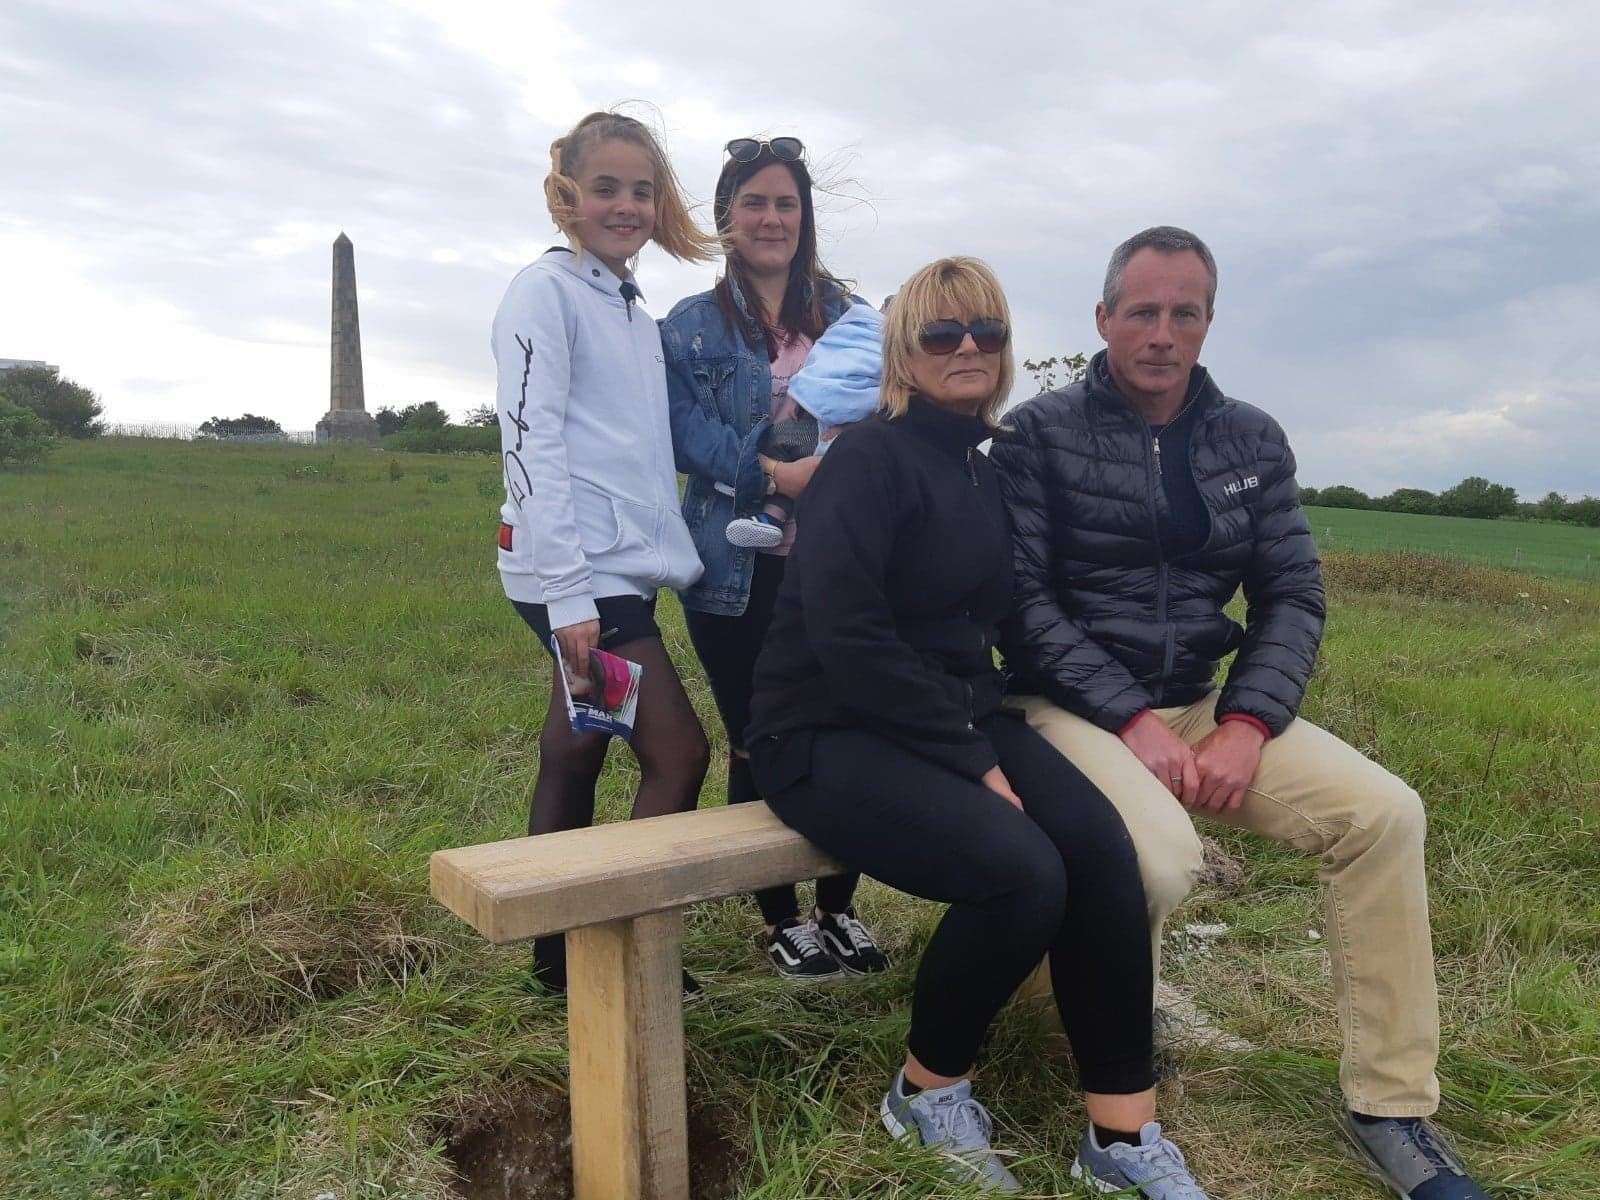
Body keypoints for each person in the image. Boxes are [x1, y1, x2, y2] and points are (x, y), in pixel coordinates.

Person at [991, 226, 1492, 1200]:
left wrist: (1246, 723)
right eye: (1142, 311)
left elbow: (1292, 595)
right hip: (1070, 711)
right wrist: (1131, 720)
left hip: (1207, 705)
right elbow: (1021, 604)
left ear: (1209, 323)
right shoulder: (1038, 434)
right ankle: (1078, 1029)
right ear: (1102, 319)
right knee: (1157, 860)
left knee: (1384, 814)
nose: (1162, 334)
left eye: (1185, 313)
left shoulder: (1249, 439)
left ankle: (1392, 1106)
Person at [747, 257, 1212, 1197]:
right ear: (903, 353)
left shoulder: (985, 471)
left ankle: (1121, 1138)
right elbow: (846, 636)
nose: (967, 349)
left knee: (1099, 847)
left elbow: (999, 624)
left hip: (953, 712)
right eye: (941, 333)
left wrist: (1079, 709)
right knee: (1021, 874)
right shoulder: (866, 461)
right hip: (822, 729)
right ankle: (928, 1087)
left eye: (986, 333)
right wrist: (969, 759)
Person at [492, 110, 718, 995]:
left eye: (643, 189)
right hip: (579, 578)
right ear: (567, 196)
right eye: (607, 188)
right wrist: (569, 600)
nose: (626, 205)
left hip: (619, 571)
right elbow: (528, 444)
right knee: (678, 757)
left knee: (576, 750)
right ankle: (620, 961)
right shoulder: (542, 293)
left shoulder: (627, 304)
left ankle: (554, 961)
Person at [661, 137, 887, 980]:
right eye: (754, 202)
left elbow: (888, 405)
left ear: (805, 217)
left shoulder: (849, 314)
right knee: (760, 735)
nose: (771, 218)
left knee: (844, 728)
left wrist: (830, 471)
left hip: (837, 558)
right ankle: (781, 916)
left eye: (786, 203)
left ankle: (838, 905)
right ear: (726, 217)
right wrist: (769, 469)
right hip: (733, 561)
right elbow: (684, 429)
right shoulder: (687, 326)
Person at [724, 303, 885, 548]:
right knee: (784, 446)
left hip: (845, 430)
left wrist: (798, 400)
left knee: (780, 440)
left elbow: (814, 371)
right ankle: (765, 510)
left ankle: (768, 513)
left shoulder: (838, 333)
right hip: (855, 427)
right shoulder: (845, 330)